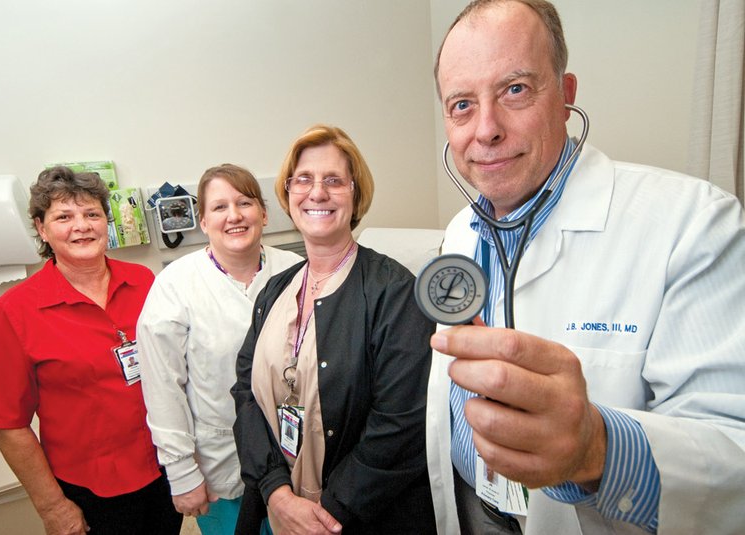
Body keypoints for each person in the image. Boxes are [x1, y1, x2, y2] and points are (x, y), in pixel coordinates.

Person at [426, 1, 745, 534]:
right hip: (471, 511)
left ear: (566, 95)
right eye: (462, 104)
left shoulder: (693, 224)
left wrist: (596, 447)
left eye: (515, 90)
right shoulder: (460, 232)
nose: (486, 130)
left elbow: (734, 451)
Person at [231, 124, 437, 534]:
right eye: (303, 179)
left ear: (356, 194)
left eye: (334, 181)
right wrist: (276, 491)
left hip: (360, 516)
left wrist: (328, 513)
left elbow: (401, 424)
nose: (317, 193)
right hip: (284, 505)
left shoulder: (394, 293)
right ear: (288, 194)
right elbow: (245, 393)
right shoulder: (275, 290)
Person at [0, 166, 182, 535]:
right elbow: (8, 424)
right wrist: (52, 506)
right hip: (90, 491)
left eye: (92, 214)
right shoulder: (16, 310)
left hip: (164, 468)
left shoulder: (144, 282)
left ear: (107, 221)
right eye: (64, 217)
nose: (81, 226)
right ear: (41, 228)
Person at [137, 164, 302, 534]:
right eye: (220, 207)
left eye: (245, 202)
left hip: (294, 457)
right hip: (221, 464)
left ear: (263, 212)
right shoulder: (175, 286)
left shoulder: (296, 270)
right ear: (202, 220)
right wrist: (181, 473)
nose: (234, 216)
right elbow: (163, 387)